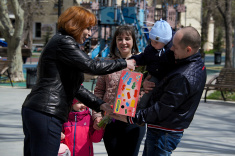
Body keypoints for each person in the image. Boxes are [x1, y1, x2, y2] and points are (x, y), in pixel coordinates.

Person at [21, 6, 135, 156]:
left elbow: (76, 88)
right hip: (47, 112)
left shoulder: (61, 43)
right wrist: (123, 63)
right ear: (75, 25)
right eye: (87, 28)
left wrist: (101, 104)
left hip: (38, 110)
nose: (88, 33)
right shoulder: (64, 42)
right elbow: (91, 66)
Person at [110, 26, 207, 155]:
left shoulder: (183, 75)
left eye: (175, 47)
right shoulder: (189, 63)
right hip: (161, 128)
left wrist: (132, 118)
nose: (170, 49)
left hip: (163, 131)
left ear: (188, 49)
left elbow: (162, 108)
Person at [92, 25, 146, 156]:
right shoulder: (107, 63)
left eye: (127, 38)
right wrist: (97, 116)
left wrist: (136, 99)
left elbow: (147, 91)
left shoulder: (142, 63)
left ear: (133, 40)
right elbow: (98, 91)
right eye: (119, 39)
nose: (123, 42)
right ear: (115, 41)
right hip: (110, 121)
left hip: (133, 122)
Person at [130, 19, 175, 110]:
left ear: (165, 42)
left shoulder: (171, 52)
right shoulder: (150, 49)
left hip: (166, 78)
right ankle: (141, 110)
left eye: (156, 42)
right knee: (147, 95)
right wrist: (134, 60)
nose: (153, 44)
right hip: (154, 76)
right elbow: (144, 57)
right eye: (151, 40)